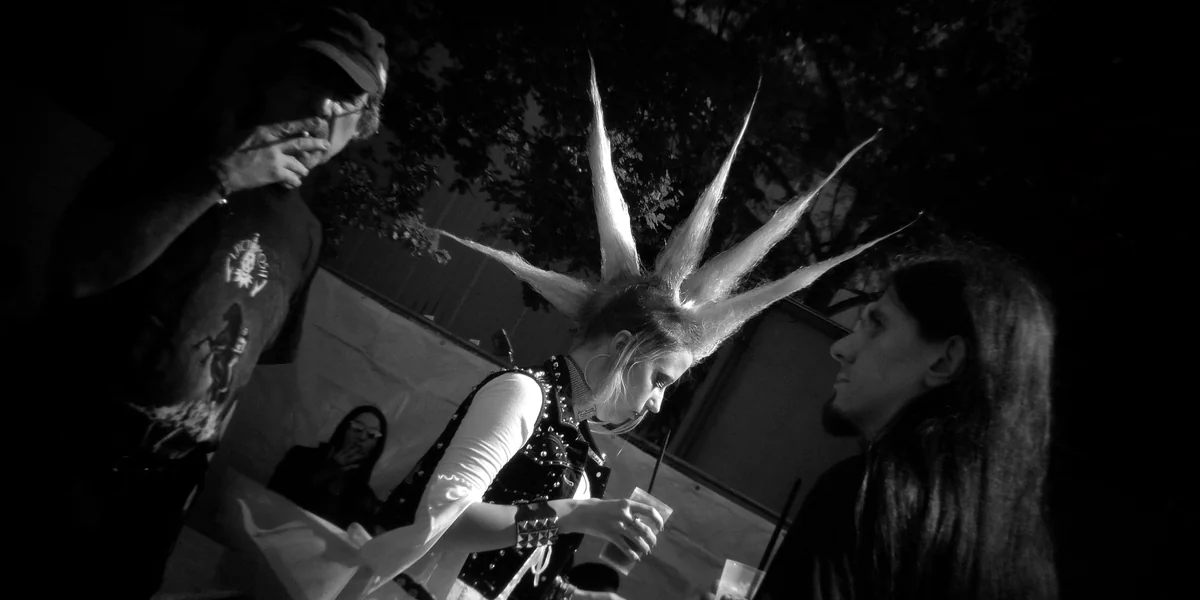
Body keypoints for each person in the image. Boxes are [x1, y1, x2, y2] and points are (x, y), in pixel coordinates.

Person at [248, 60, 901, 600]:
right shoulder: (521, 395)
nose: (658, 403)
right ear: (623, 347)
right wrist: (578, 514)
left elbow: (516, 570)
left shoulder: (580, 446)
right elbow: (443, 519)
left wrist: (573, 591)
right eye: (660, 378)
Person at [28, 8, 390, 599]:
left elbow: (231, 379)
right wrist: (220, 176)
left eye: (347, 97)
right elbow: (77, 273)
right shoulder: (173, 150)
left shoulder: (305, 235)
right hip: (57, 459)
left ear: (362, 125)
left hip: (149, 511)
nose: (324, 106)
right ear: (274, 77)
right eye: (313, 77)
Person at [747, 245, 1059, 600]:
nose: (842, 349)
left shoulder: (860, 502)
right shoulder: (1017, 548)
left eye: (878, 325)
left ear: (944, 361)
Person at [269, 405, 389, 532]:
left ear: (376, 446)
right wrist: (328, 471)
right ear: (344, 429)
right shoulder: (300, 456)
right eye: (357, 428)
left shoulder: (365, 497)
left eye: (372, 435)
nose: (362, 437)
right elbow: (274, 497)